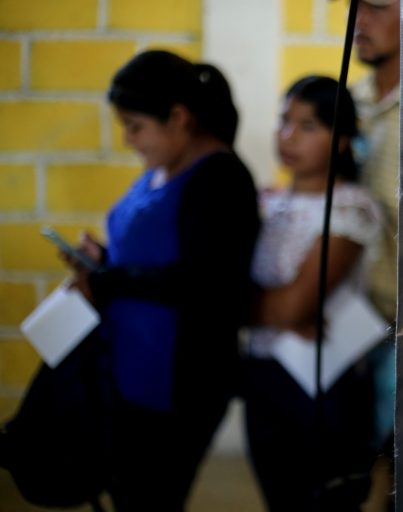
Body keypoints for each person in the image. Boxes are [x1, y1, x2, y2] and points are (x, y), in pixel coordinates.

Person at [65, 50, 260, 511]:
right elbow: (155, 256)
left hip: (176, 386)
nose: (128, 139)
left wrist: (109, 280)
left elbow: (207, 283)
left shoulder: (220, 180)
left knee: (150, 499)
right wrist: (102, 260)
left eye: (136, 126)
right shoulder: (160, 169)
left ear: (178, 117)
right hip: (132, 371)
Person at [242, 75, 383, 511]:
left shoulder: (351, 207)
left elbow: (293, 305)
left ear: (340, 141)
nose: (288, 136)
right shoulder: (263, 202)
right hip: (262, 375)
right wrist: (275, 308)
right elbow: (240, 294)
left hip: (324, 383)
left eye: (307, 126)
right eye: (284, 121)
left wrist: (251, 305)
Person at [352, 0, 400, 463]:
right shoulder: (350, 104)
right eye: (356, 8)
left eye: (377, 7)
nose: (360, 22)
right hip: (350, 316)